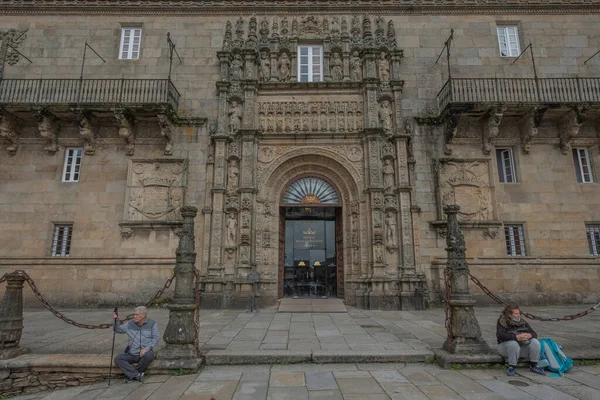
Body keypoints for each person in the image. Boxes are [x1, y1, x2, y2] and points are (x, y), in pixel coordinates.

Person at [496, 304, 546, 376]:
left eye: (519, 313)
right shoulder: (502, 322)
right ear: (510, 315)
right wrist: (516, 337)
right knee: (513, 343)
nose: (518, 315)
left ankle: (534, 365)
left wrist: (530, 335)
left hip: (521, 347)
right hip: (505, 348)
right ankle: (511, 366)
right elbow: (500, 335)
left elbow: (534, 333)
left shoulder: (522, 322)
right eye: (516, 314)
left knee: (535, 342)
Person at [113, 306, 160, 383]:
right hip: (132, 354)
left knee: (149, 355)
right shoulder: (130, 324)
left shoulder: (152, 323)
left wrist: (146, 349)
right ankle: (137, 374)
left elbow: (155, 338)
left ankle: (132, 375)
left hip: (144, 353)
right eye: (134, 314)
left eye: (136, 314)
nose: (134, 316)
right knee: (118, 359)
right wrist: (116, 320)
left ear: (143, 315)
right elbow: (117, 329)